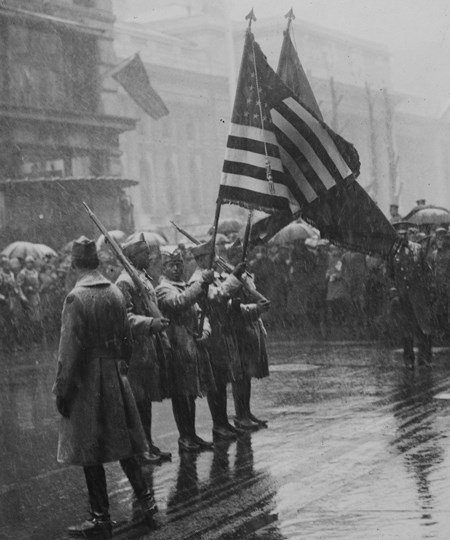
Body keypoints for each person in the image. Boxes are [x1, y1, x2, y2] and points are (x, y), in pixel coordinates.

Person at [52, 237, 158, 538]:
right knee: (126, 446)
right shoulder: (113, 291)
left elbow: (69, 351)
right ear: (97, 262)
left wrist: (63, 389)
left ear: (74, 264)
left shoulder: (75, 298)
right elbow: (127, 337)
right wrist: (119, 366)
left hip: (87, 381)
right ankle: (148, 503)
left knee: (90, 449)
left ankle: (100, 517)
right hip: (115, 375)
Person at [116, 236, 172, 464]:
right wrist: (149, 324)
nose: (149, 257)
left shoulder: (142, 279)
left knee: (145, 399)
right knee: (137, 402)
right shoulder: (124, 283)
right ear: (132, 256)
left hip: (148, 348)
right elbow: (125, 318)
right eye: (144, 253)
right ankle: (140, 449)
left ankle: (147, 442)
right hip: (135, 350)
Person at [156, 249, 216, 452]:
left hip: (191, 347)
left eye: (179, 264)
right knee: (181, 394)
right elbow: (178, 303)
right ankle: (184, 436)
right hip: (177, 347)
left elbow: (201, 313)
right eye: (171, 265)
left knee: (190, 393)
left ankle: (191, 434)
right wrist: (201, 284)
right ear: (163, 268)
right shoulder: (163, 289)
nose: (176, 268)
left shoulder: (185, 286)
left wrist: (205, 331)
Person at [189, 240, 248, 439]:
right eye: (211, 256)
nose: (215, 260)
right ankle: (218, 425)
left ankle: (223, 423)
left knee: (222, 380)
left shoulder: (211, 276)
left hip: (221, 332)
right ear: (201, 259)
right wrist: (235, 277)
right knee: (216, 382)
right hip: (211, 333)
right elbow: (217, 296)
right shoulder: (198, 279)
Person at [388, 222, 434, 369]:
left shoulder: (418, 249)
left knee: (423, 328)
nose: (402, 237)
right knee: (406, 330)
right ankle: (408, 360)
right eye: (399, 234)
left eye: (404, 234)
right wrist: (394, 291)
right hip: (403, 297)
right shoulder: (392, 252)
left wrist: (427, 290)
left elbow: (426, 271)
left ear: (408, 234)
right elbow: (389, 275)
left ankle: (424, 359)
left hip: (418, 295)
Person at [16, 255, 43, 345]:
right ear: (25, 263)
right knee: (29, 319)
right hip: (27, 298)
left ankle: (36, 339)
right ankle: (28, 340)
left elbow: (38, 283)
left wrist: (37, 289)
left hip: (35, 297)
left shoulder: (35, 272)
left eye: (32, 262)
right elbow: (18, 286)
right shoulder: (22, 273)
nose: (30, 264)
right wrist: (23, 295)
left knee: (37, 319)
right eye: (28, 262)